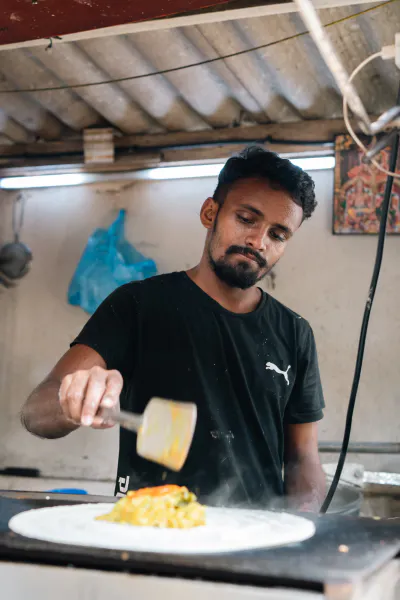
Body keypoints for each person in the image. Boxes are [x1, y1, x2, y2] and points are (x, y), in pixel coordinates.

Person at [21, 146, 326, 511]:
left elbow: (303, 458)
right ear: (210, 212)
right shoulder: (139, 305)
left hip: (254, 540)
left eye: (278, 235)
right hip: (151, 530)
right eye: (246, 218)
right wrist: (72, 400)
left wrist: (303, 528)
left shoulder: (294, 332)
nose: (258, 242)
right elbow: (35, 413)